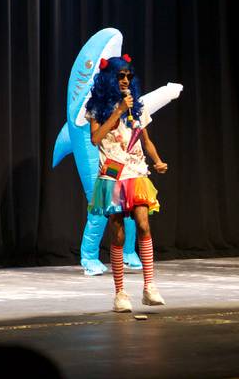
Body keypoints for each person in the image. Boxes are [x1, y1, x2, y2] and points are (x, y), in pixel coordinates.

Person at [84, 54, 167, 312]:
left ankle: (149, 287)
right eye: (121, 76)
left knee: (143, 224)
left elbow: (145, 139)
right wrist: (118, 111)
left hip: (136, 171)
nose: (126, 80)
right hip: (112, 173)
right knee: (118, 232)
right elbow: (96, 138)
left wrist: (157, 160)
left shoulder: (136, 107)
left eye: (129, 76)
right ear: (110, 77)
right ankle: (120, 292)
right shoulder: (96, 106)